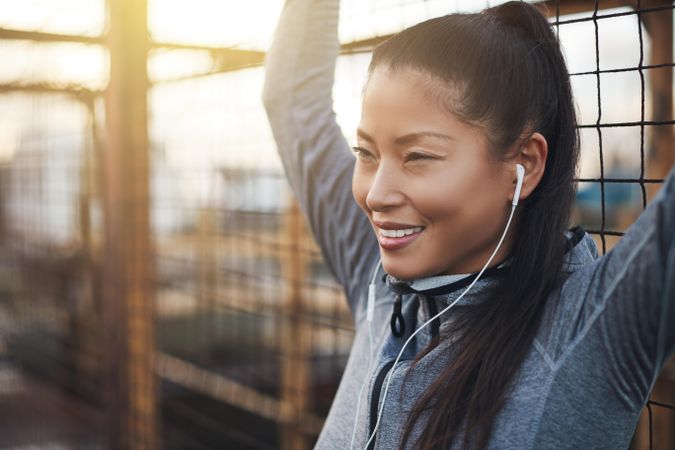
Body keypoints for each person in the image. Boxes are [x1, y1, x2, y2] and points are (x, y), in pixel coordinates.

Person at [262, 0, 675, 448]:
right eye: (366, 153)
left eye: (418, 156)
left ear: (525, 163)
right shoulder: (379, 279)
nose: (376, 195)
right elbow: (292, 101)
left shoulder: (592, 332)